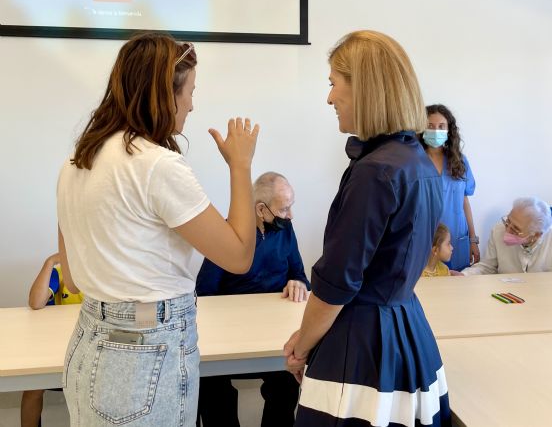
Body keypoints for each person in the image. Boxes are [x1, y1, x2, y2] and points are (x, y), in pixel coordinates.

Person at [56, 33, 259, 427]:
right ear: (165, 94)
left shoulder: (76, 162)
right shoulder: (155, 165)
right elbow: (238, 257)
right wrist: (241, 166)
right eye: (190, 91)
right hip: (145, 350)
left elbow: (71, 277)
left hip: (86, 345)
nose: (192, 104)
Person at [284, 30, 451, 427]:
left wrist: (301, 345)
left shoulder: (374, 171)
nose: (329, 98)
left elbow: (337, 284)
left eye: (333, 84)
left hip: (361, 345)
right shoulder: (418, 163)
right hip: (408, 330)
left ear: (366, 88)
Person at [196, 171, 309, 427]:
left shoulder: (285, 230)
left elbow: (299, 274)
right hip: (230, 336)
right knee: (210, 384)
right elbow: (204, 292)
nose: (291, 216)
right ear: (261, 209)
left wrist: (299, 283)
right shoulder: (227, 233)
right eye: (285, 209)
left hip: (274, 332)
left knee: (287, 380)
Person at [21, 253, 83, 427]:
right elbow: (35, 302)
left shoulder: (101, 274)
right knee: (32, 387)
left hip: (87, 342)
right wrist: (50, 262)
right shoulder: (59, 273)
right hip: (57, 344)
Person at [462, 197, 552, 275]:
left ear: (536, 235)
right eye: (508, 221)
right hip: (509, 300)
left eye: (515, 229)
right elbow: (487, 267)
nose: (507, 230)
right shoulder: (498, 230)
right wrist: (464, 275)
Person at [421, 104, 478, 271]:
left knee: (457, 288)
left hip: (457, 239)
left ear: (449, 130)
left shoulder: (459, 161)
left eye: (441, 126)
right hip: (427, 238)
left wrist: (473, 240)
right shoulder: (414, 161)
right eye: (430, 126)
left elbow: (464, 201)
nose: (436, 131)